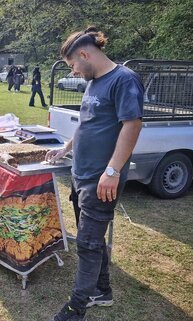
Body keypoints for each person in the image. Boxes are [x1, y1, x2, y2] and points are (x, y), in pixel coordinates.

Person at [45, 26, 144, 321]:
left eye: (73, 65)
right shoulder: (93, 82)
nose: (73, 71)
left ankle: (77, 308)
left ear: (85, 54)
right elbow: (87, 124)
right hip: (82, 174)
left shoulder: (123, 80)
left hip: (102, 178)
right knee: (93, 239)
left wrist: (112, 171)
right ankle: (103, 290)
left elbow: (132, 125)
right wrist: (65, 148)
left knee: (87, 245)